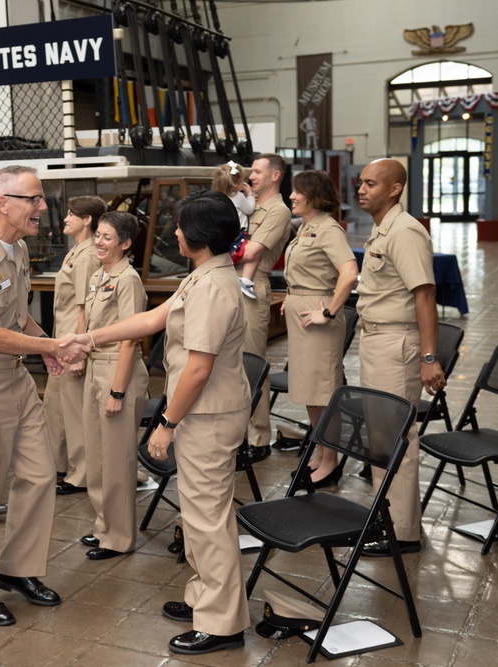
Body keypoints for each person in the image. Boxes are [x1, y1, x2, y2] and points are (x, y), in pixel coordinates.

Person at [68, 190, 251, 655]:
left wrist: (166, 423)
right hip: (202, 411)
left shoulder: (212, 286)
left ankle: (223, 623)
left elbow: (199, 368)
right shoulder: (203, 275)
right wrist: (89, 337)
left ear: (200, 235)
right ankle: (205, 597)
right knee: (198, 514)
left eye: (181, 226)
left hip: (206, 416)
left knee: (208, 518)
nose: (174, 233)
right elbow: (150, 319)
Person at [0, 165, 90, 627]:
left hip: (16, 379)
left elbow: (18, 315)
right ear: (2, 202)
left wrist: (44, 345)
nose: (42, 208)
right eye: (34, 199)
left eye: (41, 199)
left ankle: (18, 568)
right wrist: (53, 345)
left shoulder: (17, 247)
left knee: (41, 475)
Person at [354, 158, 445, 557]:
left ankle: (402, 531)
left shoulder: (405, 232)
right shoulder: (382, 229)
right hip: (377, 341)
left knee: (395, 436)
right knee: (380, 436)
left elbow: (424, 296)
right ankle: (386, 516)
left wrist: (429, 357)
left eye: (370, 183)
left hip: (397, 345)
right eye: (360, 183)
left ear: (394, 189)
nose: (361, 189)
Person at [279, 170, 358, 486]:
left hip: (318, 323)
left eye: (297, 192)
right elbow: (304, 270)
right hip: (302, 317)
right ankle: (321, 452)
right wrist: (292, 296)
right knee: (311, 391)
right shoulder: (306, 228)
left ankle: (331, 461)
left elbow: (349, 273)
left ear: (312, 195)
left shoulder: (328, 229)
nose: (292, 197)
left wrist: (328, 311)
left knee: (324, 392)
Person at [78, 211, 148, 561]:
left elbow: (130, 339)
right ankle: (103, 525)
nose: (99, 242)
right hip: (95, 367)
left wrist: (117, 392)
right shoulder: (98, 274)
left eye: (108, 237)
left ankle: (119, 537)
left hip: (117, 371)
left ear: (125, 243)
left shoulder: (127, 279)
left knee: (117, 459)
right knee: (97, 456)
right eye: (98, 235)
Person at [43, 196, 105, 496]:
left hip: (73, 343)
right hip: (62, 342)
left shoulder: (88, 256)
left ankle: (80, 474)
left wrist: (79, 352)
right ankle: (60, 465)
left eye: (72, 214)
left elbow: (84, 307)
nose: (65, 218)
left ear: (87, 220)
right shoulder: (75, 253)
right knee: (56, 408)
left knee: (75, 412)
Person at [240, 153, 293, 456]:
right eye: (251, 170)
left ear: (275, 175)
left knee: (251, 364)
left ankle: (259, 438)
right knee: (231, 364)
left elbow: (251, 252)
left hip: (252, 286)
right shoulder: (252, 206)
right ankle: (237, 433)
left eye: (258, 171)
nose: (252, 175)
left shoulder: (278, 211)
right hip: (231, 283)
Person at [212, 161, 258, 299]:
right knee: (254, 252)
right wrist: (249, 194)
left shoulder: (217, 198)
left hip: (224, 235)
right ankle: (245, 280)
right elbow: (249, 209)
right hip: (239, 234)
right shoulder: (238, 197)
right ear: (237, 184)